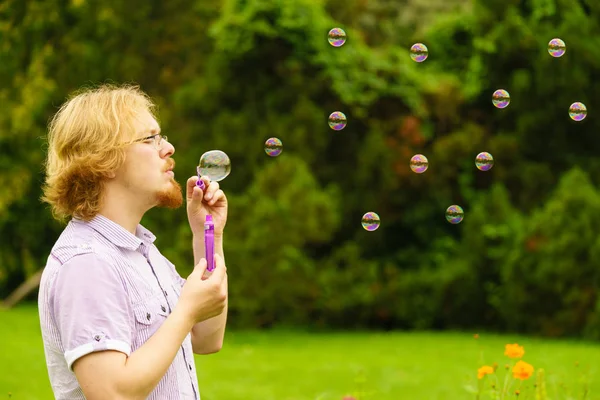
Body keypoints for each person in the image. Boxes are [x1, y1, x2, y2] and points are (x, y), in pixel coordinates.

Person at [38, 83, 229, 400]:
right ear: (104, 160)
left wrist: (208, 234)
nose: (167, 149)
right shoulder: (86, 262)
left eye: (162, 137)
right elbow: (112, 393)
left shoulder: (142, 252)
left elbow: (207, 338)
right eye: (150, 139)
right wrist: (184, 311)